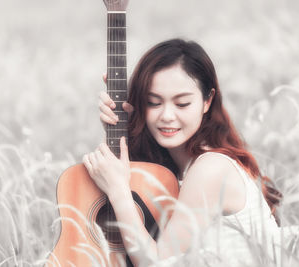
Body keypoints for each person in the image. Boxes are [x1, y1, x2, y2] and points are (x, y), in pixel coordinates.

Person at [83, 39, 281, 266]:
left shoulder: (211, 169)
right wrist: (119, 129)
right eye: (153, 102)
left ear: (207, 101)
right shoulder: (171, 171)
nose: (167, 115)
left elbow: (154, 263)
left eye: (182, 104)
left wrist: (118, 190)